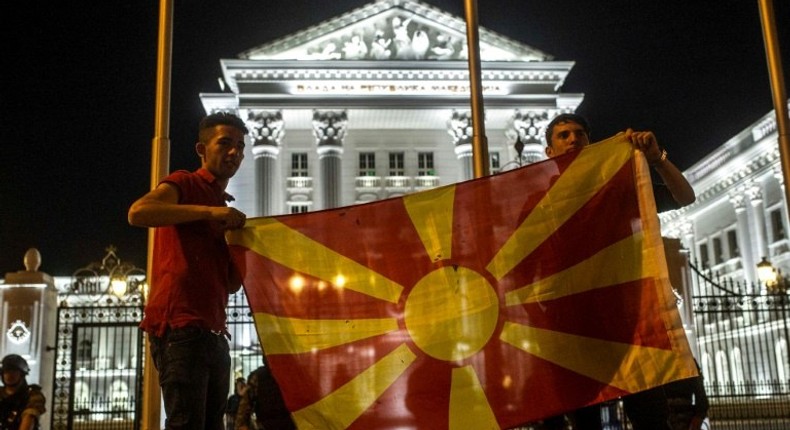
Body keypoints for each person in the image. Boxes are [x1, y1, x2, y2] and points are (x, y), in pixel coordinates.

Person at [538, 113, 696, 430]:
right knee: (586, 422)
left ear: (590, 142)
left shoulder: (618, 186)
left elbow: (684, 197)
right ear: (549, 151)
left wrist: (657, 159)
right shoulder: (539, 203)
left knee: (651, 417)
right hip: (575, 326)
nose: (573, 139)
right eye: (564, 135)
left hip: (628, 319)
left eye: (580, 134)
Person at [128, 112, 249, 429]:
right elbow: (139, 212)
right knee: (186, 423)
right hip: (181, 328)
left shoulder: (222, 204)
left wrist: (247, 249)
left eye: (240, 146)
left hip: (215, 332)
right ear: (201, 149)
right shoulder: (186, 183)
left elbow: (230, 284)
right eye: (224, 143)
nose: (234, 152)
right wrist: (209, 212)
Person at [236, 365, 295, 430]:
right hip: (286, 423)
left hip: (268, 423)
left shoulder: (258, 376)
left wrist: (241, 424)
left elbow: (245, 404)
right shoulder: (291, 373)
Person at [0, 354, 46, 430]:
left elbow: (28, 419)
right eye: (6, 371)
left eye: (14, 371)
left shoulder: (32, 395)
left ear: (22, 374)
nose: (9, 375)